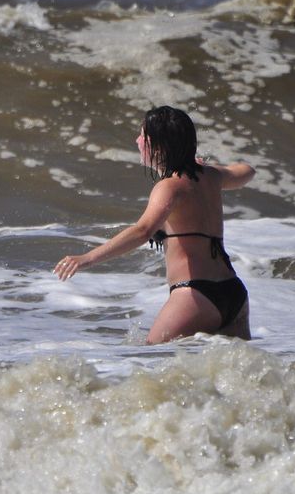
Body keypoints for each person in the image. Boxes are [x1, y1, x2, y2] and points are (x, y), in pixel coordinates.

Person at [53, 105, 255, 344]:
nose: (137, 140)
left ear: (158, 147)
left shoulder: (170, 187)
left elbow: (143, 230)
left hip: (196, 295)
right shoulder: (211, 176)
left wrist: (87, 258)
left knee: (149, 358)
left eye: (143, 136)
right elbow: (247, 171)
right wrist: (208, 167)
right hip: (234, 293)